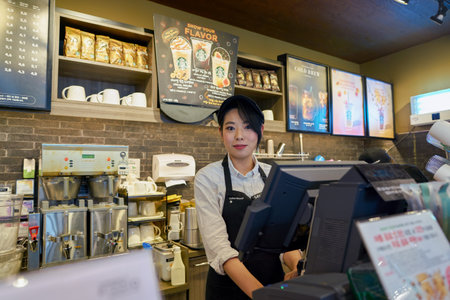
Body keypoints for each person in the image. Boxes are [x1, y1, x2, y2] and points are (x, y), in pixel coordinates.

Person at [194, 95, 300, 299]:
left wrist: (297, 266)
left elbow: (283, 239)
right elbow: (221, 251)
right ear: (221, 132)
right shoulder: (207, 178)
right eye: (230, 128)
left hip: (273, 282)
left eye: (248, 127)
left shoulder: (274, 176)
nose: (239, 136)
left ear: (260, 131)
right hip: (228, 290)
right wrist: (262, 295)